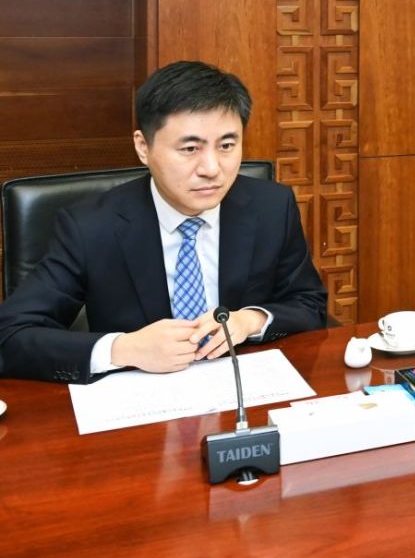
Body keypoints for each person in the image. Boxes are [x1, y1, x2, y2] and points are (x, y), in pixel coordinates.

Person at [0, 61, 328, 384]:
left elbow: (309, 305)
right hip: (138, 397)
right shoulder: (91, 226)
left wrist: (250, 321)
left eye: (227, 146)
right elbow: (10, 335)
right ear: (143, 147)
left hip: (245, 390)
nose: (212, 168)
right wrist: (124, 349)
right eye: (190, 148)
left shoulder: (272, 207)